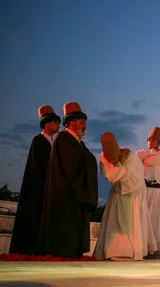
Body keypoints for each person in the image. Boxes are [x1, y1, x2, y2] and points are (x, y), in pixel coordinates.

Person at [38, 102, 98, 258]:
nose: (85, 126)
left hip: (74, 195)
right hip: (66, 195)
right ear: (72, 122)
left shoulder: (77, 142)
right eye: (82, 122)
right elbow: (71, 166)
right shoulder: (63, 139)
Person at [94, 132, 156, 261]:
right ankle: (113, 250)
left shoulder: (131, 157)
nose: (111, 162)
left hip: (133, 193)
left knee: (130, 222)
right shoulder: (103, 159)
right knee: (115, 222)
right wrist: (119, 163)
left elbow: (122, 175)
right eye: (109, 160)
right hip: (118, 193)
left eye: (113, 159)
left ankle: (129, 250)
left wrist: (119, 165)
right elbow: (111, 177)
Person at [9, 105, 61, 255]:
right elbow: (39, 167)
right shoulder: (39, 141)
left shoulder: (52, 142)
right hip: (38, 189)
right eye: (55, 122)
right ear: (46, 123)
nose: (58, 125)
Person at [137, 127, 160, 258]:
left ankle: (154, 248)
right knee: (144, 217)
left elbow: (151, 161)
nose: (150, 142)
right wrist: (148, 155)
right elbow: (137, 156)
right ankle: (144, 246)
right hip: (145, 187)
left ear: (158, 143)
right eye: (149, 140)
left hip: (156, 189)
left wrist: (147, 158)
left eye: (153, 140)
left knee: (155, 218)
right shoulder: (144, 152)